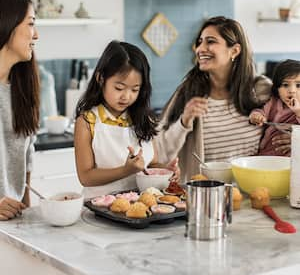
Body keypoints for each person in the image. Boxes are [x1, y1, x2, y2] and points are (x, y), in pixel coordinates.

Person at [156, 16, 291, 182]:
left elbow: (291, 120)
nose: (200, 49)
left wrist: (296, 139)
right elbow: (160, 152)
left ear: (234, 51)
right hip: (205, 196)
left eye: (210, 41)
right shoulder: (187, 92)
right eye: (199, 42)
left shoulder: (261, 89)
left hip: (253, 192)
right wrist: (184, 121)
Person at [74, 40, 178, 199]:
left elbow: (151, 164)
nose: (126, 96)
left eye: (135, 90)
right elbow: (86, 177)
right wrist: (126, 170)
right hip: (100, 208)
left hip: (141, 205)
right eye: (119, 88)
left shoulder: (144, 118)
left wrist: (166, 170)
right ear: (101, 79)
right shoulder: (87, 122)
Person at [0, 0, 39, 220]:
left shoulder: (22, 89)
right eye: (31, 24)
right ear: (7, 24)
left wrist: (28, 212)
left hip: (14, 226)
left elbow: (27, 154)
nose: (36, 35)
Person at [249, 59, 300, 156]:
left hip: (290, 157)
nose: (292, 90)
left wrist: (298, 112)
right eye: (285, 85)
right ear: (277, 88)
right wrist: (257, 115)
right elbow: (262, 111)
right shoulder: (274, 102)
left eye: (298, 85)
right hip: (267, 152)